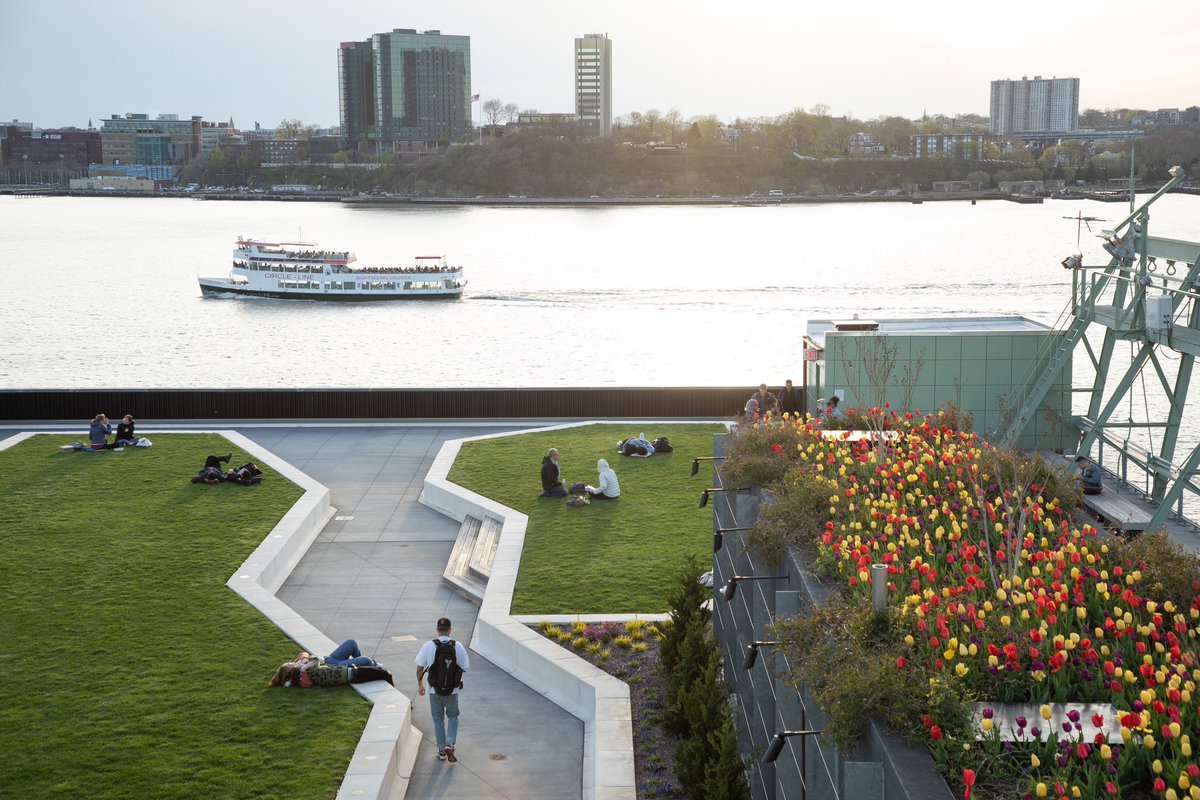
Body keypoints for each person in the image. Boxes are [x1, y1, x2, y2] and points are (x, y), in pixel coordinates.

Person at [415, 617, 471, 763]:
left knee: (438, 719)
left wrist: (420, 685)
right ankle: (450, 743)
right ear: (450, 630)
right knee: (453, 716)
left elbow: (420, 667)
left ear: (437, 630)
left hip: (434, 691)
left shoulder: (428, 646)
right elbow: (464, 667)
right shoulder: (457, 646)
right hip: (452, 691)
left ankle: (441, 750)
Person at [269, 639, 392, 688]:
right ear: (289, 672)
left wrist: (300, 660)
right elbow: (314, 662)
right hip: (336, 666)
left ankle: (361, 666)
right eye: (289, 665)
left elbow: (304, 653)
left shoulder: (299, 664)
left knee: (351, 643)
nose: (291, 663)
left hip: (330, 659)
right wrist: (304, 665)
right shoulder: (301, 673)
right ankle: (368, 665)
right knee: (367, 660)